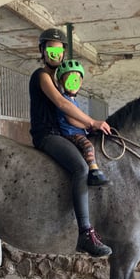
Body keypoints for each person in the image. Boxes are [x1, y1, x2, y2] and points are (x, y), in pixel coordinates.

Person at [29, 27, 112, 257]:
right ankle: (85, 232)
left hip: (62, 133)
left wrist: (87, 126)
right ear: (43, 52)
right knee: (80, 168)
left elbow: (70, 111)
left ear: (63, 54)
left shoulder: (58, 81)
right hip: (47, 134)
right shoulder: (42, 76)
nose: (55, 55)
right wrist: (93, 122)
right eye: (50, 51)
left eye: (59, 52)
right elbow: (63, 105)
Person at [54, 59, 110, 187]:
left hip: (78, 132)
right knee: (88, 146)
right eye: (69, 80)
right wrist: (89, 125)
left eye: (76, 80)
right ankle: (93, 172)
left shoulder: (73, 101)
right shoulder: (64, 100)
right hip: (70, 133)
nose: (73, 83)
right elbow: (72, 120)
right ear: (62, 82)